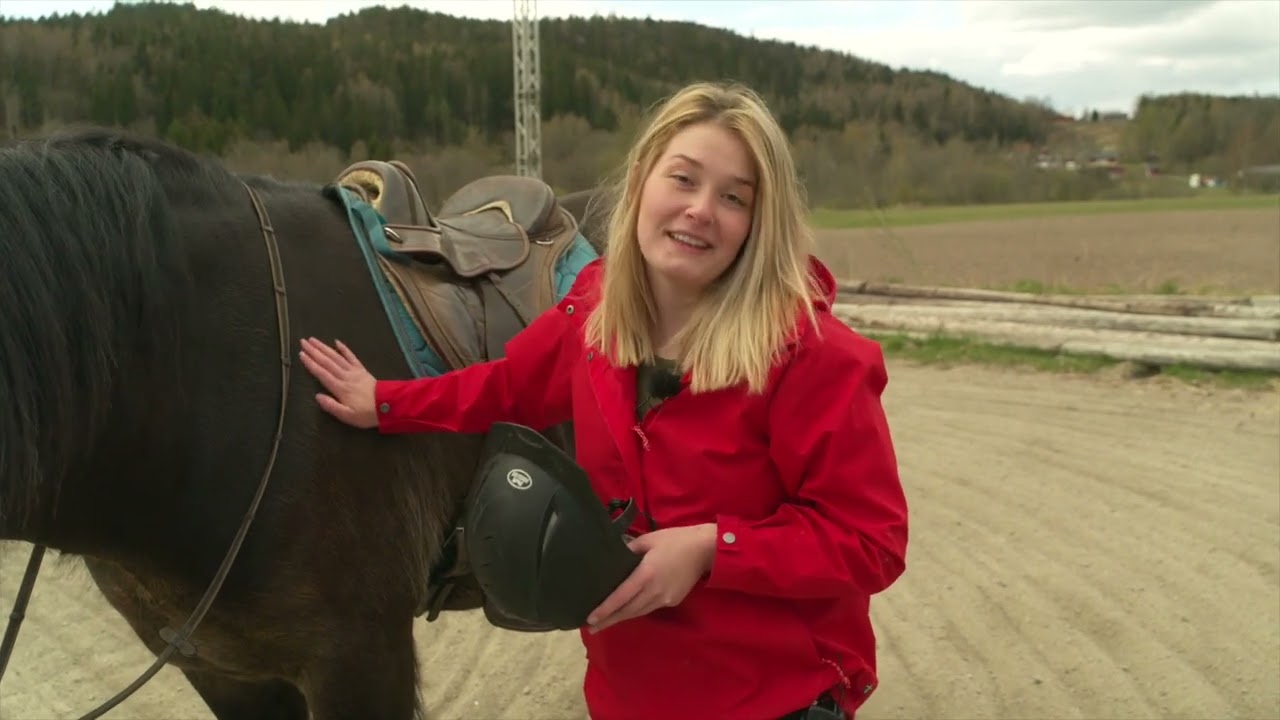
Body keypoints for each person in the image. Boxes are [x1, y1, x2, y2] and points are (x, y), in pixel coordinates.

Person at [299, 81, 908, 720]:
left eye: (734, 197)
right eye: (684, 179)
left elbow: (871, 540)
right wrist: (385, 403)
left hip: (771, 698)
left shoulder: (815, 357)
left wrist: (709, 549)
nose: (701, 209)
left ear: (760, 223)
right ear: (642, 181)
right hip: (626, 696)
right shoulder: (592, 316)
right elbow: (503, 387)